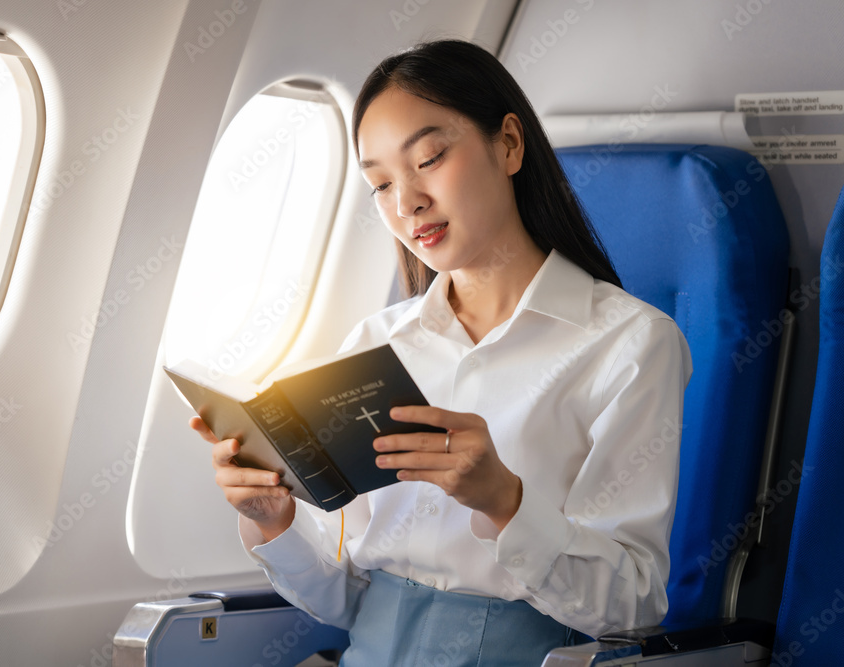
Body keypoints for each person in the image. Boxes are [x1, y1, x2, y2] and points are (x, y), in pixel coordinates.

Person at [190, 39, 692, 666]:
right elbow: (346, 601)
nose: (407, 203)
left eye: (428, 159)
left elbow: (632, 607)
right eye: (379, 184)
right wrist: (274, 521)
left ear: (508, 144)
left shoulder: (630, 343)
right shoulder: (376, 344)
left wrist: (504, 500)